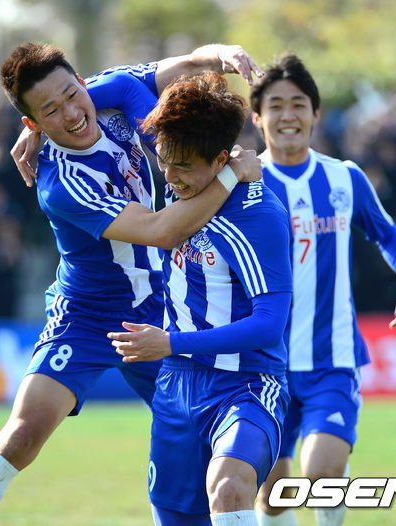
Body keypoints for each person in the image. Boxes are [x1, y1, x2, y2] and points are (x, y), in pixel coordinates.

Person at [0, 42, 264, 526]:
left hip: (162, 308)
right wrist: (230, 176)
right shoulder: (61, 183)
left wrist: (222, 53)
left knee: (216, 446)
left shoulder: (111, 90)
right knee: (22, 435)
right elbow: (161, 230)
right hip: (87, 317)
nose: (72, 114)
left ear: (83, 82)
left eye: (72, 94)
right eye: (51, 111)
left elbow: (185, 64)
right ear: (32, 123)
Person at [249, 52, 396, 526]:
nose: (288, 115)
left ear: (315, 113)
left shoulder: (344, 177)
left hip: (332, 357)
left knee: (321, 474)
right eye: (275, 106)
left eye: (298, 104)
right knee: (273, 496)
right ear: (257, 117)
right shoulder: (244, 187)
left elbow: (387, 233)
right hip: (264, 365)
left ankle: (332, 480)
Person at [108, 71, 293, 526]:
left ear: (220, 160)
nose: (169, 178)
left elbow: (271, 323)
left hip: (247, 384)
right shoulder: (180, 146)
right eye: (163, 162)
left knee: (229, 488)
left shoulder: (258, 214)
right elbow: (124, 88)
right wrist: (34, 127)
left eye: (183, 168)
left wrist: (171, 342)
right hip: (176, 386)